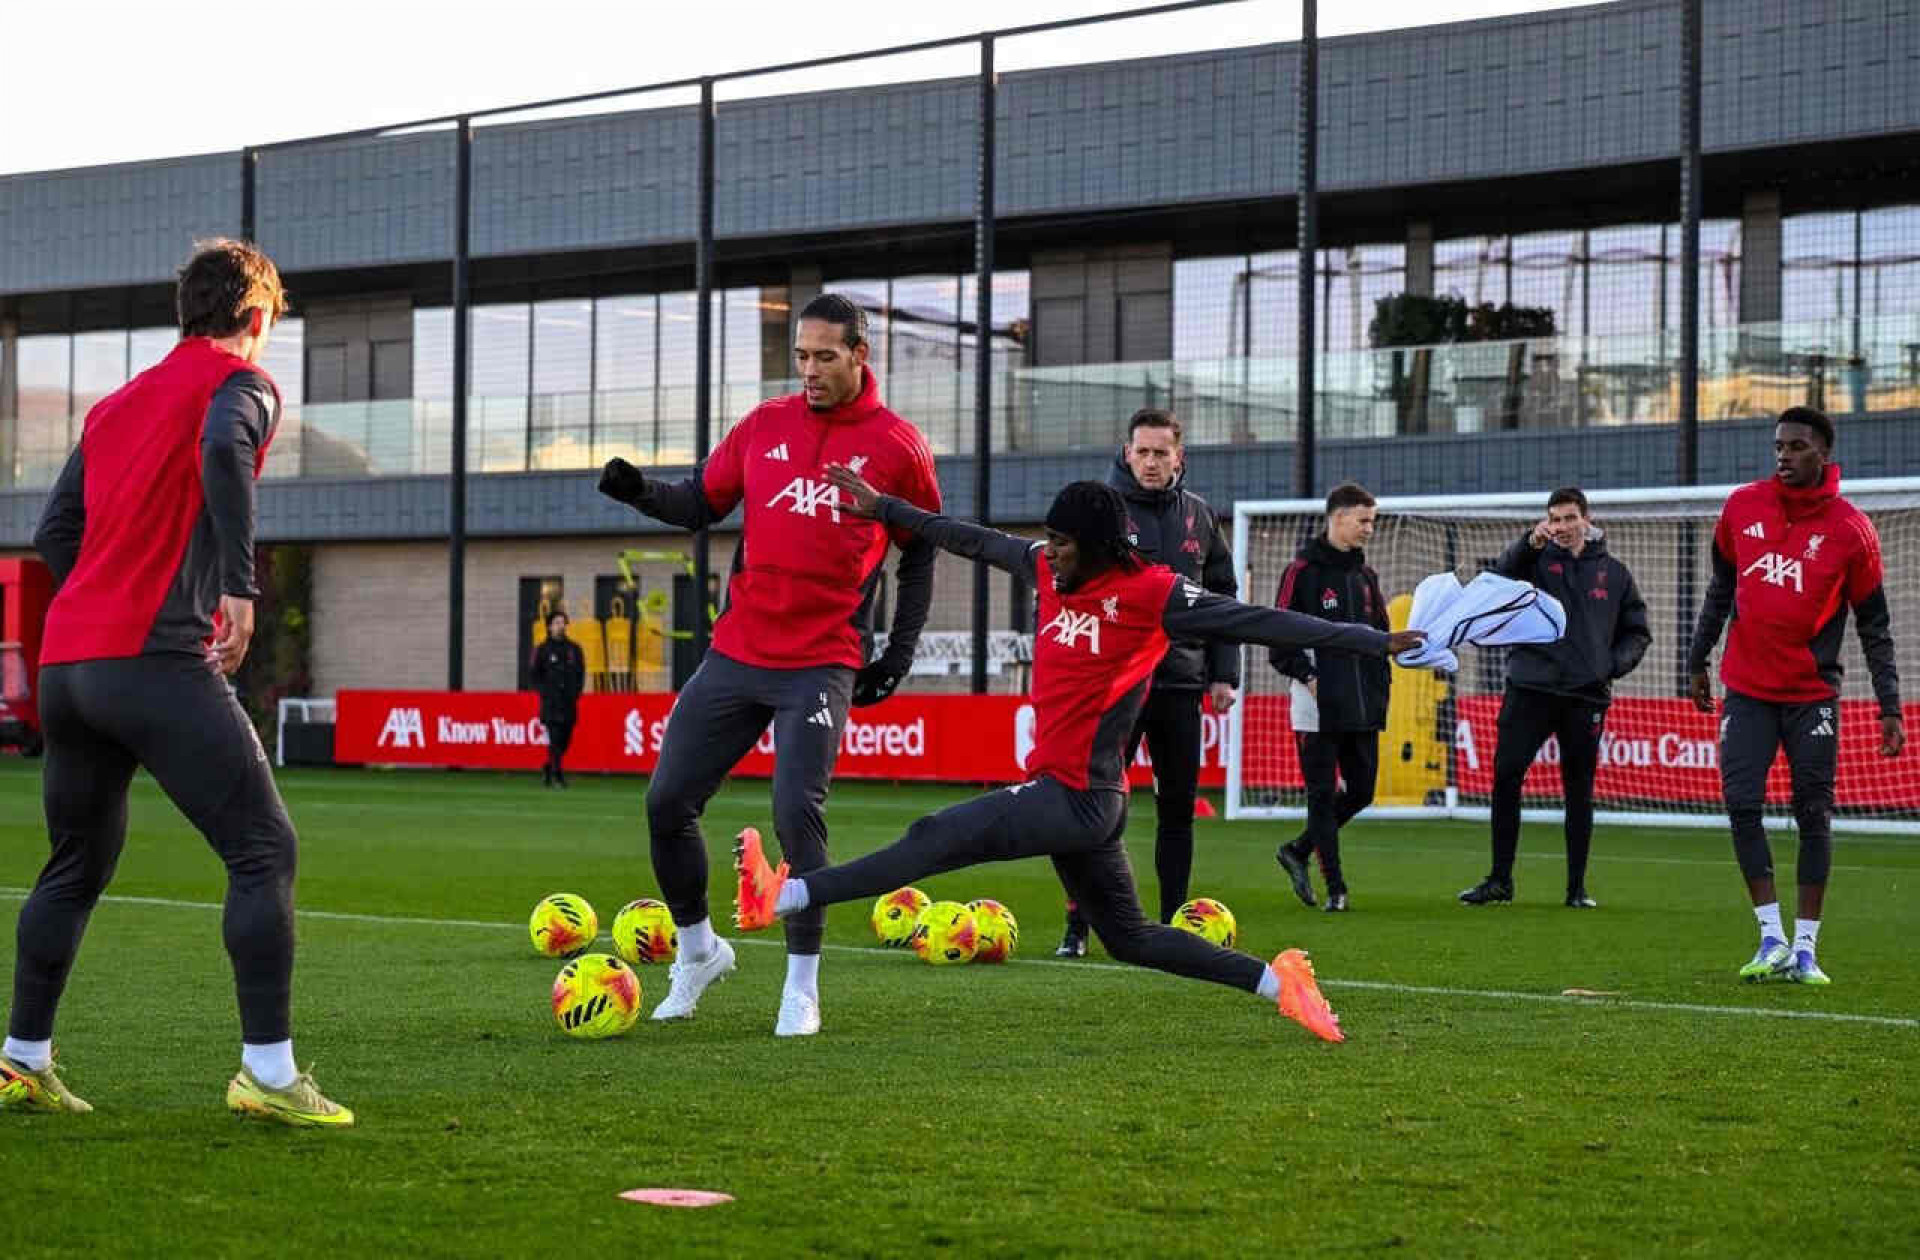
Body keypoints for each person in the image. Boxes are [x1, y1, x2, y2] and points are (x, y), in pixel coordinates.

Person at [729, 469, 1427, 1042]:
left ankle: (785, 895)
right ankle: (1281, 983)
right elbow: (968, 539)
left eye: (1063, 543)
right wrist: (887, 508)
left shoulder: (1153, 593)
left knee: (934, 837)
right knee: (1130, 938)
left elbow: (1259, 621)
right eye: (1048, 540)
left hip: (1079, 795)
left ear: (1097, 545)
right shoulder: (1043, 568)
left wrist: (1371, 641)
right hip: (1082, 802)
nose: (1049, 551)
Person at [0, 240, 350, 1125]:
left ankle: (19, 1061)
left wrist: (101, 593)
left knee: (74, 865)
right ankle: (269, 1076)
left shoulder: (115, 403)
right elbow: (225, 452)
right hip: (152, 658)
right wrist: (236, 587)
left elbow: (54, 530)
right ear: (258, 316)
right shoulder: (245, 385)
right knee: (264, 852)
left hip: (69, 665)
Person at [595, 293, 942, 1037]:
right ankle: (698, 952)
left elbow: (921, 554)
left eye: (824, 356)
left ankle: (802, 985)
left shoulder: (899, 446)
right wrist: (637, 492)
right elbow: (699, 504)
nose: (810, 371)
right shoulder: (764, 426)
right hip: (738, 650)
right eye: (801, 358)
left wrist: (900, 651)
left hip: (822, 660)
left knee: (796, 814)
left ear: (860, 355)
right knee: (667, 803)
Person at [1688, 407, 1903, 985]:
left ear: (1824, 455)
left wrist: (1889, 706)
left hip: (1812, 695)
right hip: (1747, 689)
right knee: (1740, 804)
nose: (1784, 455)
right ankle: (1770, 937)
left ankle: (1806, 948)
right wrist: (1696, 658)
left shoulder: (1852, 530)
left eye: (1797, 446)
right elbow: (1720, 588)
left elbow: (1874, 626)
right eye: (1779, 445)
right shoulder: (1742, 507)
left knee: (1812, 812)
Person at [1055, 409, 1238, 957]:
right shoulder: (1099, 513)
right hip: (1115, 686)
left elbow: (1222, 597)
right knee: (1091, 807)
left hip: (1180, 686)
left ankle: (1174, 924)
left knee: (1178, 808)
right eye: (1143, 452)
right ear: (1127, 452)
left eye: (1162, 453)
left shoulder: (1200, 518)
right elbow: (1070, 589)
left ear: (1179, 457)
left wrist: (1223, 673)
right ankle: (1078, 925)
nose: (1152, 462)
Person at [1459, 487, 1650, 908]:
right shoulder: (1534, 562)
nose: (1561, 527)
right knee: (1506, 777)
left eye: (1568, 518)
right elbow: (1498, 579)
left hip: (1585, 697)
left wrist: (1610, 666)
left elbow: (1637, 632)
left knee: (1579, 790)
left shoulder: (1614, 573)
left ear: (1586, 519)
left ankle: (1576, 889)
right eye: (1554, 519)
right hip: (1530, 689)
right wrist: (1528, 544)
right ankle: (1499, 881)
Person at [1269, 483, 1390, 912]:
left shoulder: (1366, 578)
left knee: (1362, 791)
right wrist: (1309, 676)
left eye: (1372, 521)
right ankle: (1336, 888)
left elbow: (1380, 638)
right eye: (1363, 520)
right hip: (1315, 703)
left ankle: (1298, 850)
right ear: (1337, 518)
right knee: (1321, 793)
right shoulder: (1301, 571)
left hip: (1362, 705)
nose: (1369, 530)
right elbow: (1276, 637)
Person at [530, 610, 586, 788]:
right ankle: (558, 775)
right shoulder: (541, 650)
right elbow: (534, 675)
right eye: (557, 623)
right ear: (549, 626)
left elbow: (580, 673)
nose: (561, 626)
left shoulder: (574, 649)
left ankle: (549, 766)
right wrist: (544, 692)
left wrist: (576, 692)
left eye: (563, 622)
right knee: (554, 739)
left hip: (569, 703)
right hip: (551, 703)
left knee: (565, 740)